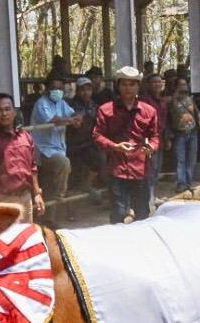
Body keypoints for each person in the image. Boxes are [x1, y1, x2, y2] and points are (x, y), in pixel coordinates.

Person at [92, 66, 159, 224]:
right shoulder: (105, 110)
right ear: (118, 86)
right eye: (124, 84)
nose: (128, 88)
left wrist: (151, 147)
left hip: (141, 169)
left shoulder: (149, 111)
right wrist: (115, 146)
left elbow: (155, 136)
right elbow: (97, 135)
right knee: (118, 213)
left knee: (143, 214)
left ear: (138, 86)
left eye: (132, 84)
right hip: (117, 169)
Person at [0, 93, 43, 223]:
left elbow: (33, 167)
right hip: (3, 200)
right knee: (7, 241)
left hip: (26, 198)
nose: (4, 114)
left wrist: (37, 194)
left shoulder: (25, 136)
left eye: (7, 109)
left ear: (14, 112)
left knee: (26, 239)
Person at [30, 71, 82, 220]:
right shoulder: (41, 103)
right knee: (64, 164)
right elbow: (53, 119)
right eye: (54, 88)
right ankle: (61, 196)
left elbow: (72, 115)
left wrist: (77, 118)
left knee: (53, 180)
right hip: (43, 150)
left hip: (59, 148)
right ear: (47, 89)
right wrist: (70, 121)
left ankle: (49, 219)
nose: (58, 91)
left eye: (60, 88)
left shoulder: (61, 102)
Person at [67, 77, 104, 201]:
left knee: (99, 160)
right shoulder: (69, 105)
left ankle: (87, 185)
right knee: (71, 175)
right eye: (82, 90)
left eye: (88, 89)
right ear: (77, 91)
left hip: (88, 143)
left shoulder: (94, 105)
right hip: (72, 144)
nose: (86, 92)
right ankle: (70, 208)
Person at [169, 77, 200, 193]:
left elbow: (197, 111)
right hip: (180, 134)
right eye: (181, 85)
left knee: (191, 159)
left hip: (192, 133)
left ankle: (188, 183)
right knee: (180, 160)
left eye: (185, 84)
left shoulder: (190, 98)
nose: (184, 87)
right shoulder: (172, 100)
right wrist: (176, 92)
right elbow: (169, 108)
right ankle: (181, 183)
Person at [140, 73, 169, 203]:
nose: (157, 84)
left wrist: (167, 138)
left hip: (161, 139)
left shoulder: (163, 101)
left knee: (157, 168)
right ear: (148, 85)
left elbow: (165, 121)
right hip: (149, 140)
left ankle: (152, 196)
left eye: (159, 82)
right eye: (154, 82)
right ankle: (148, 199)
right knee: (150, 169)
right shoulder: (144, 101)